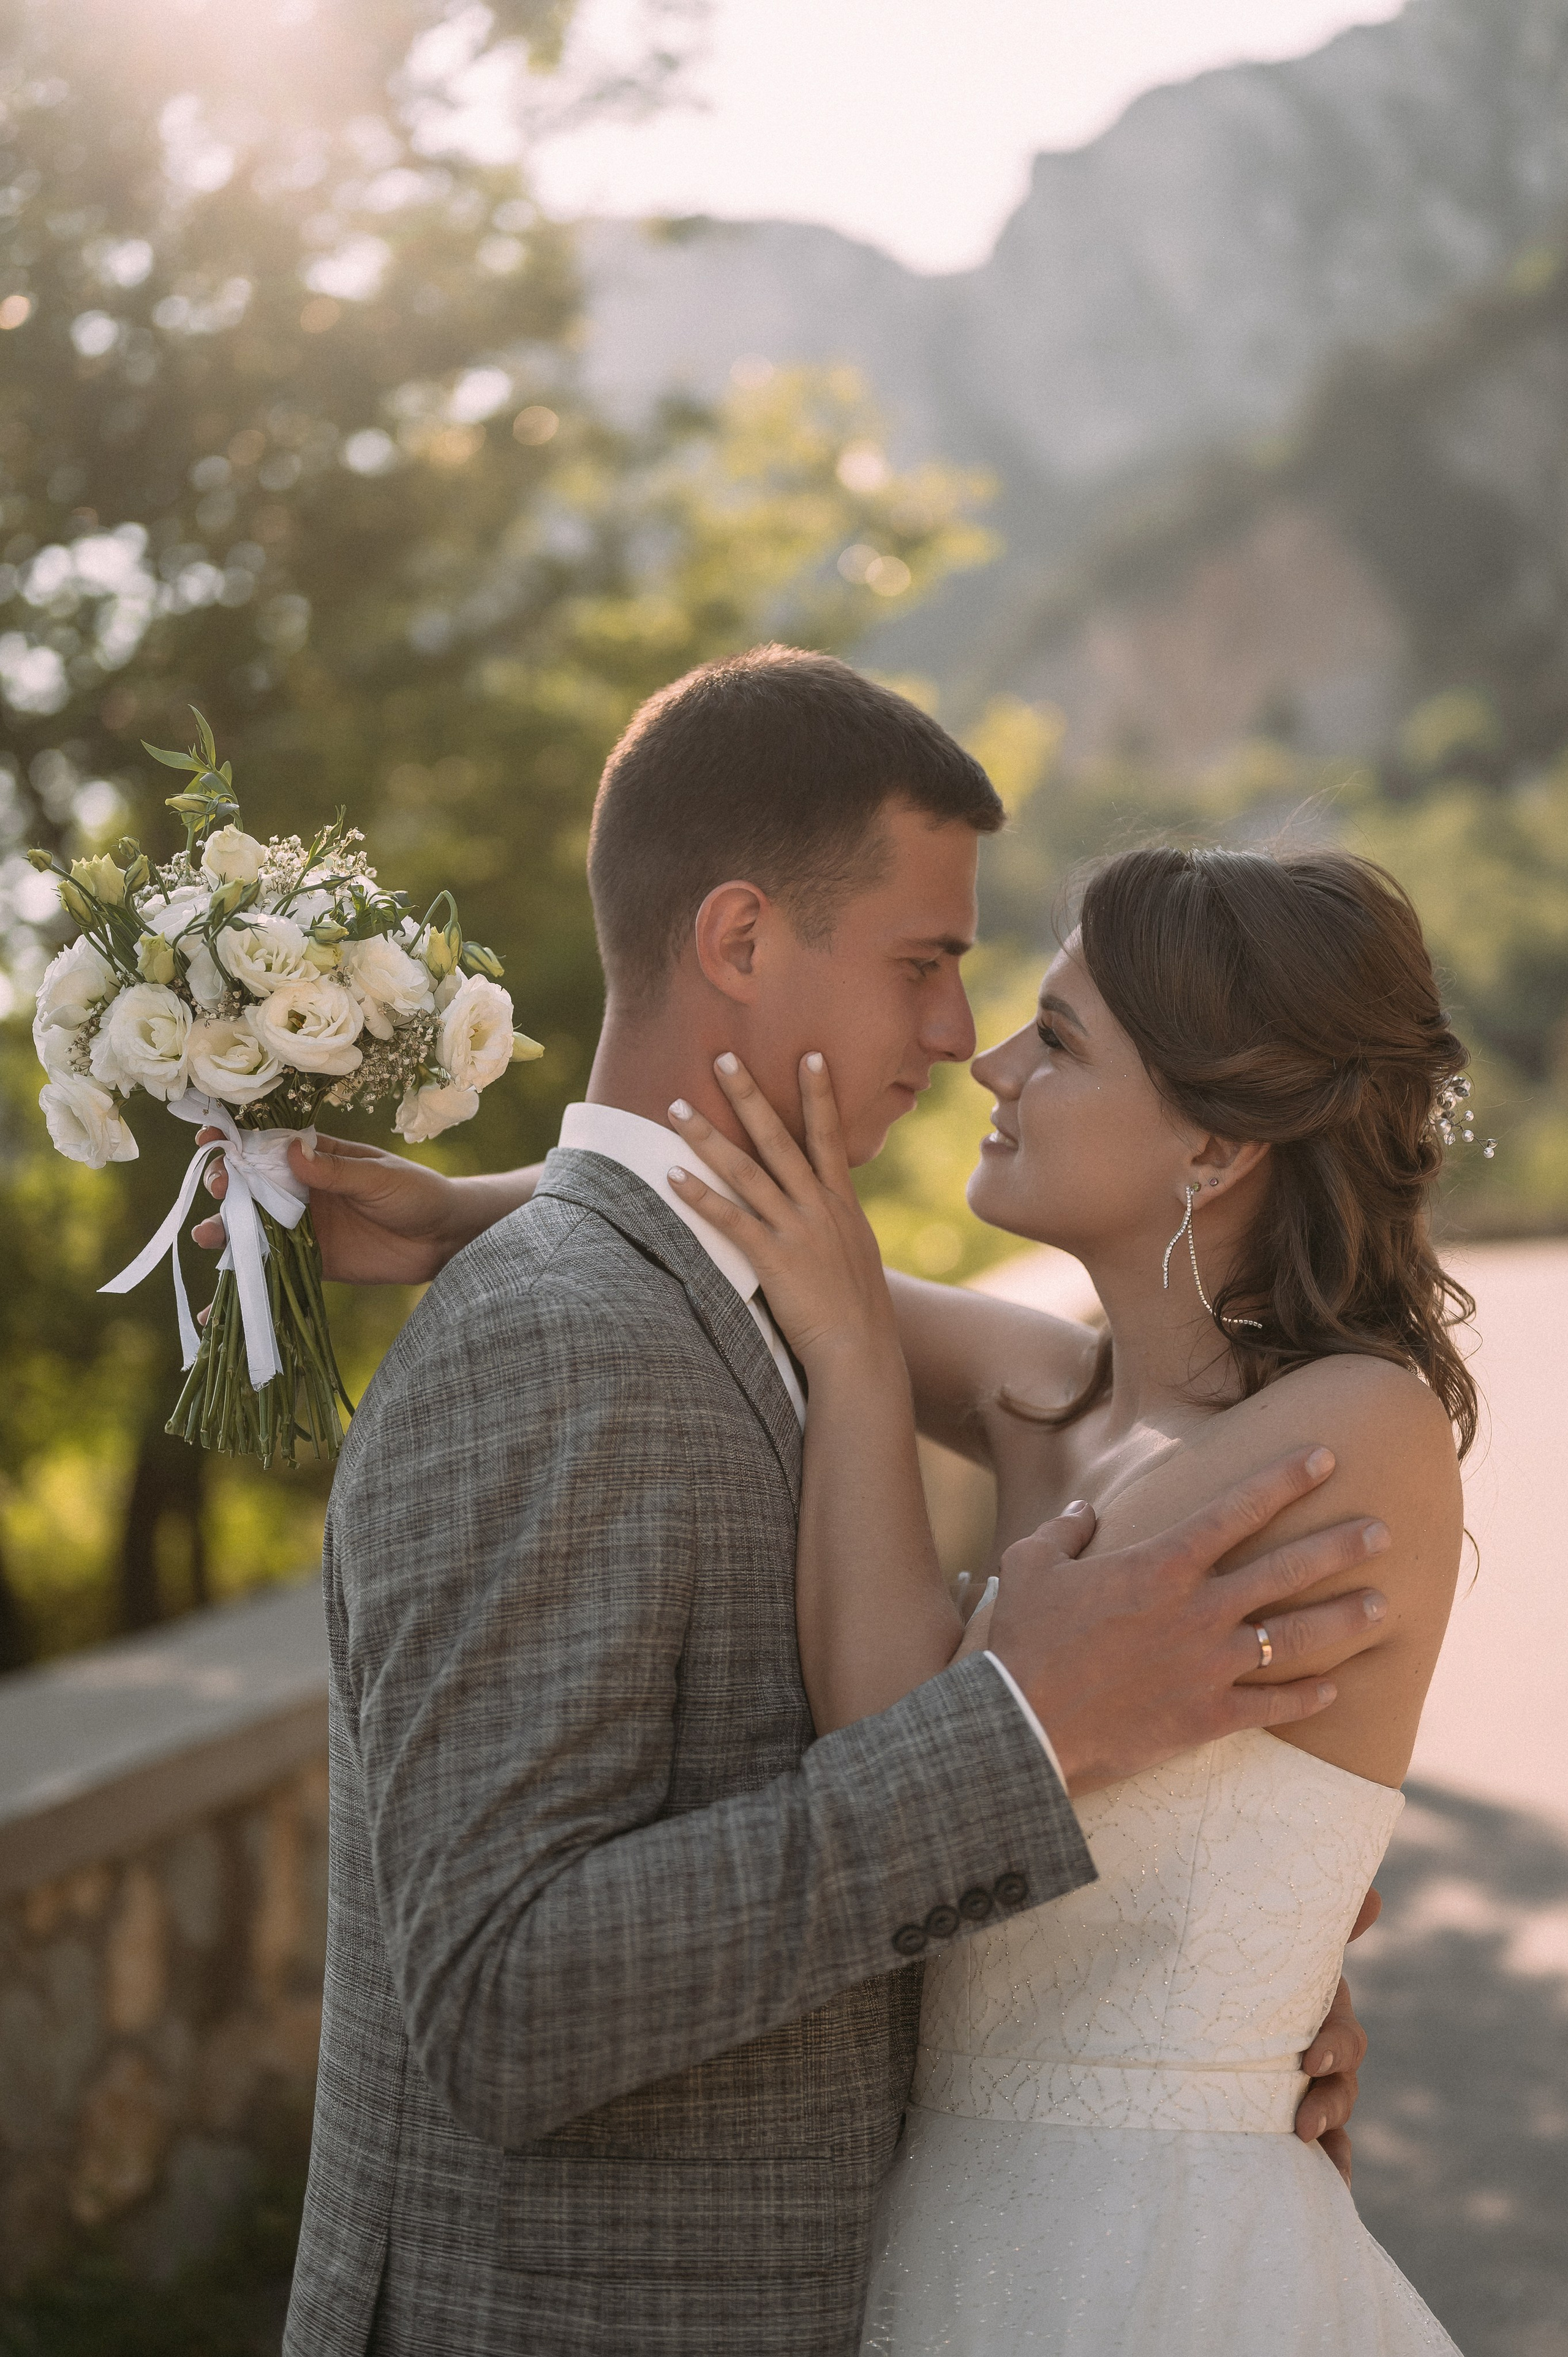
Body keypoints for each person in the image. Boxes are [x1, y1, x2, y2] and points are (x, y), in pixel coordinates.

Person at [204, 651, 1388, 2357]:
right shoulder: (558, 1339)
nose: (958, 1040)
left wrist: (1226, 1987)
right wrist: (1021, 1733)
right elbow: (506, 2003)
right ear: (742, 940)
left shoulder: (746, 1294)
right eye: (924, 964)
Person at [646, 842, 1472, 2353]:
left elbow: (907, 1755)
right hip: (947, 2224)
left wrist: (849, 1350)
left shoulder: (1351, 1427)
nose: (991, 1065)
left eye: (1058, 1038)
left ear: (1212, 1146)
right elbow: (715, 1233)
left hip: (1155, 2260)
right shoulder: (1059, 1399)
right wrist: (439, 1215)